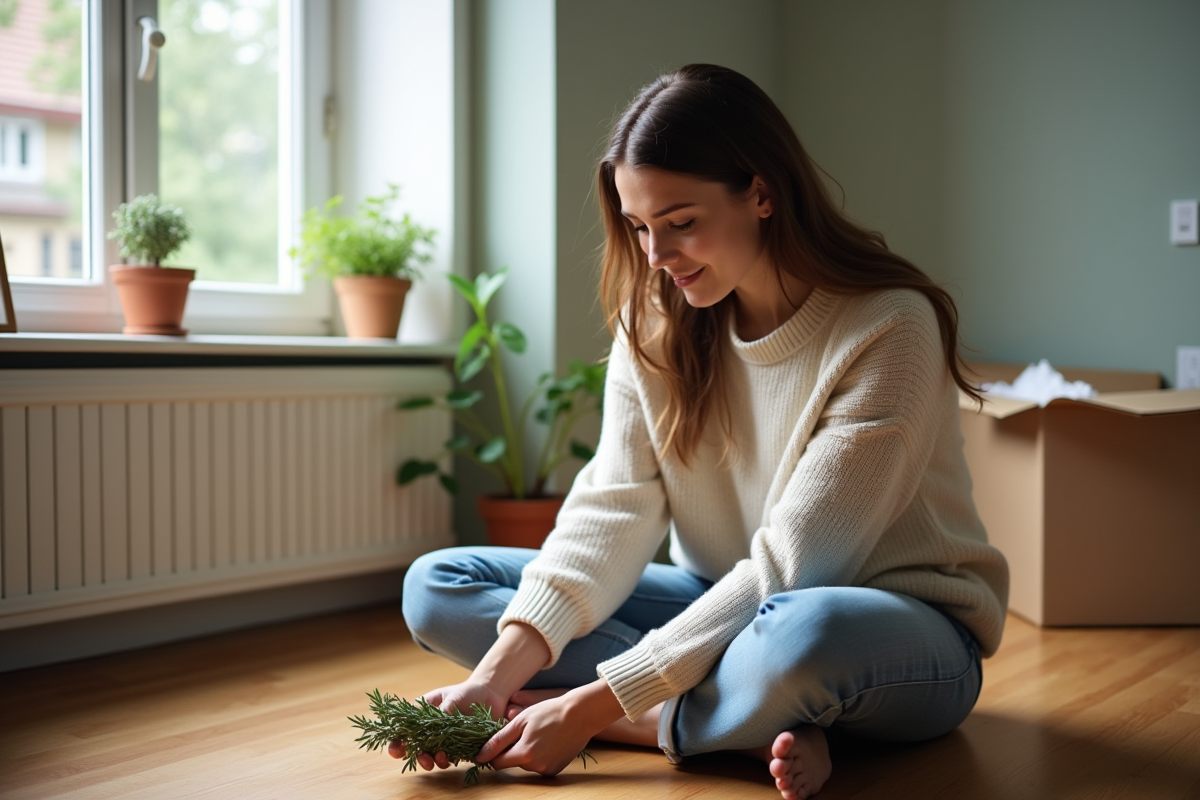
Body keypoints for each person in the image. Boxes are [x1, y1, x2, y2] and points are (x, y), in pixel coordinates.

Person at [396, 63, 1009, 800]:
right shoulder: (656, 317)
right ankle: (736, 717)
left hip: (884, 621)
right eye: (639, 227)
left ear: (761, 192)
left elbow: (793, 568)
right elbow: (613, 507)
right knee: (437, 587)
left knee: (795, 637)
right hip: (717, 591)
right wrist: (491, 683)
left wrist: (591, 709)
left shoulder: (889, 326)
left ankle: (656, 720)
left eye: (680, 223)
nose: (656, 257)